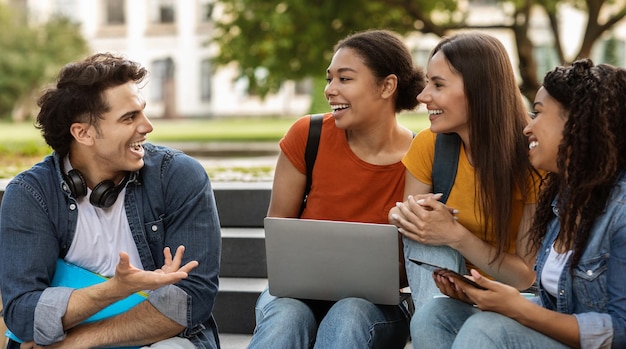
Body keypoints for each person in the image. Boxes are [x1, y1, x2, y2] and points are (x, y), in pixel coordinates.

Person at [0, 53, 221, 349]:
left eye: (142, 112)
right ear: (83, 133)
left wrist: (79, 342)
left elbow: (188, 300)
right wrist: (115, 289)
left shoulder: (178, 176)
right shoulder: (32, 194)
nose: (147, 126)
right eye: (129, 118)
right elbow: (22, 314)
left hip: (157, 340)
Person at [411, 58, 626, 348]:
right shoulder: (564, 200)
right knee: (436, 314)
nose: (528, 127)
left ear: (577, 125)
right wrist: (489, 296)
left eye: (538, 114)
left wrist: (520, 308)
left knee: (488, 329)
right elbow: (558, 303)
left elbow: (620, 330)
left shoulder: (620, 212)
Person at [246, 29, 426, 349]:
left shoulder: (421, 156)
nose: (330, 90)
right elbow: (280, 234)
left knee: (348, 313)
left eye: (345, 79)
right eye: (330, 79)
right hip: (296, 295)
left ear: (387, 86)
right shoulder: (308, 135)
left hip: (377, 308)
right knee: (286, 316)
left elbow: (417, 261)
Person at [388, 31, 542, 345]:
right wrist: (404, 218)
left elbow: (527, 278)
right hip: (446, 295)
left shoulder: (533, 154)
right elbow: (419, 239)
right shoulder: (429, 145)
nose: (422, 95)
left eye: (438, 85)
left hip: (516, 300)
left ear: (479, 90)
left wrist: (456, 235)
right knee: (422, 226)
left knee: (433, 227)